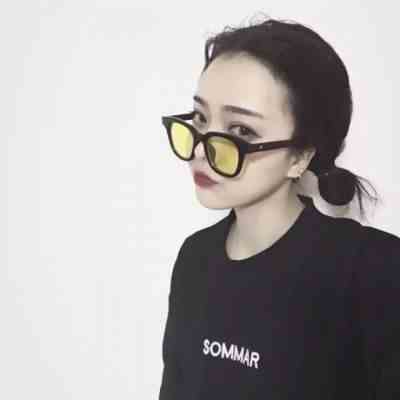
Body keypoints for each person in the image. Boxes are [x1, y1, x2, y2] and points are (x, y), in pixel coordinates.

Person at [159, 15, 400, 400]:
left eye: (241, 131)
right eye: (201, 119)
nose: (202, 149)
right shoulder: (195, 258)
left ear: (300, 156)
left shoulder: (374, 270)